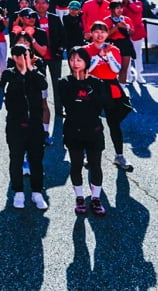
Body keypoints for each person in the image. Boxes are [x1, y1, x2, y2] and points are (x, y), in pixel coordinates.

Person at [57, 49, 110, 215]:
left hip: (93, 128)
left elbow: (101, 105)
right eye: (72, 59)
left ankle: (96, 198)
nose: (75, 62)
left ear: (87, 62)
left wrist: (88, 89)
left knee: (95, 164)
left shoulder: (97, 82)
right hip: (73, 128)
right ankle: (79, 197)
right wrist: (79, 86)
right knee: (76, 164)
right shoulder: (64, 82)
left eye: (79, 59)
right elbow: (67, 103)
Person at [0, 44, 50, 210]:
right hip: (15, 125)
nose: (25, 59)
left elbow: (43, 85)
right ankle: (18, 192)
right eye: (22, 56)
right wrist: (21, 75)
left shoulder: (36, 72)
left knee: (37, 160)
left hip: (35, 124)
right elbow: (7, 93)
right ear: (14, 58)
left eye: (28, 55)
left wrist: (32, 70)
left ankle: (37, 192)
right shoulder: (8, 74)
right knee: (16, 159)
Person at [85, 21, 133, 171]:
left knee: (114, 124)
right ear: (91, 34)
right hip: (92, 86)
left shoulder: (114, 49)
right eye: (96, 32)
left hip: (110, 87)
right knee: (91, 123)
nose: (100, 35)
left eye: (103, 32)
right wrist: (98, 56)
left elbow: (116, 69)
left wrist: (109, 55)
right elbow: (86, 70)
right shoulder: (85, 50)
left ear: (107, 34)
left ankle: (119, 155)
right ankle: (89, 154)